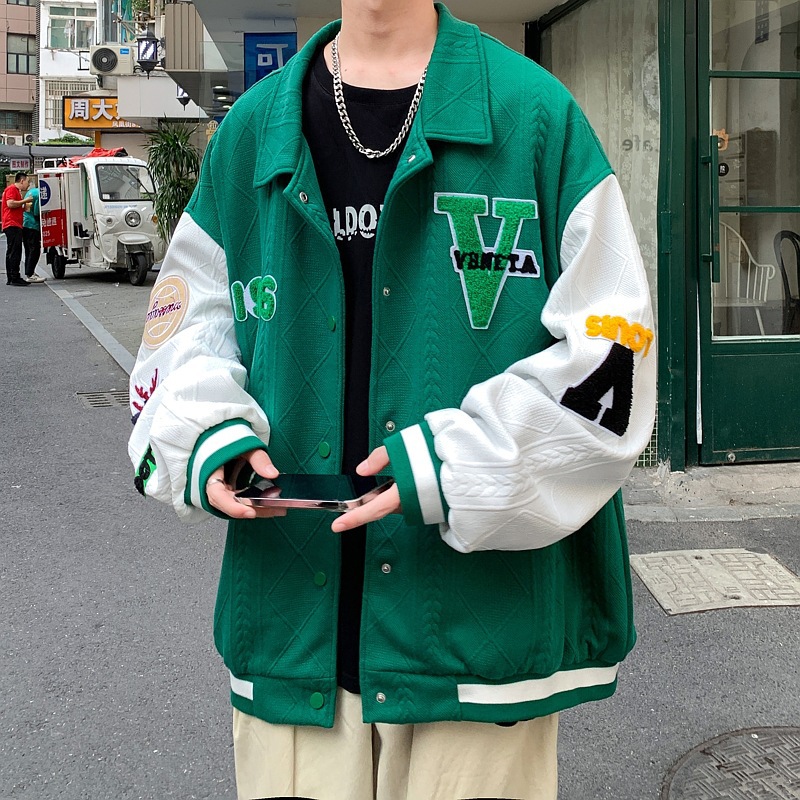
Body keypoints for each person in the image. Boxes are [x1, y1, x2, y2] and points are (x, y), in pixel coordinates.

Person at [128, 2, 656, 798]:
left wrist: (450, 464)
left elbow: (614, 353)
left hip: (474, 648)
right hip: (292, 642)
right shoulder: (251, 134)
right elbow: (181, 333)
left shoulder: (536, 117)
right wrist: (207, 434)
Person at [2, 172, 33, 287]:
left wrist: (24, 206)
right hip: (12, 224)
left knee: (12, 251)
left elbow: (14, 205)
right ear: (22, 180)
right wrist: (25, 201)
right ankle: (14, 276)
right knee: (15, 251)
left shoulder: (16, 191)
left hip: (13, 224)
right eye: (27, 182)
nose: (28, 185)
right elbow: (10, 204)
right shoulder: (12, 189)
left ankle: (12, 276)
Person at [22, 180, 44, 283]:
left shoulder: (31, 192)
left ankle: (29, 272)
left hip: (25, 223)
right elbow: (37, 212)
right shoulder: (39, 194)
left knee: (28, 250)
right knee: (34, 250)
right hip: (32, 225)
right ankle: (30, 274)